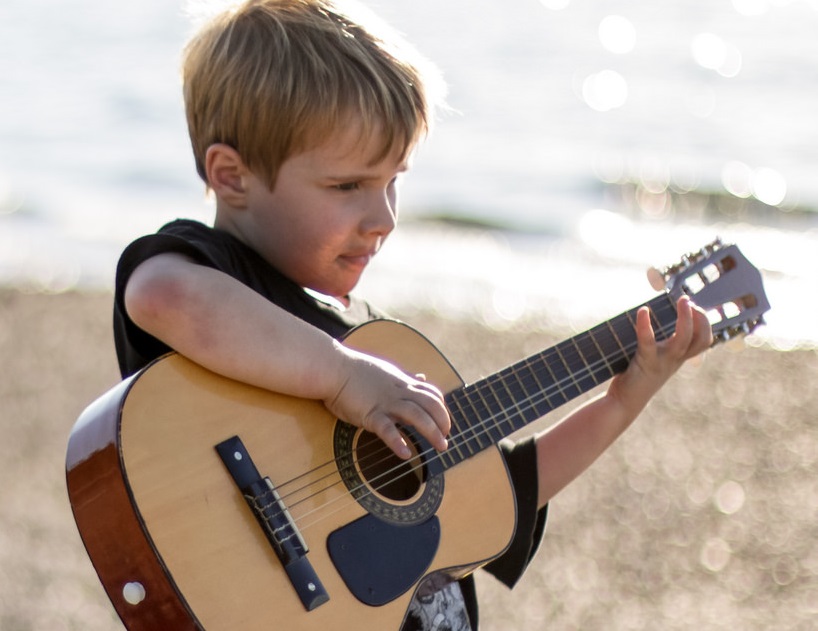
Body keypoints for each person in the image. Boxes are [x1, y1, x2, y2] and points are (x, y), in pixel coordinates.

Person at [112, 1, 713, 629]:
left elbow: (506, 487)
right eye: (348, 187)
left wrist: (624, 398)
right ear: (231, 176)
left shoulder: (371, 346)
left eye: (394, 180)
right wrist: (342, 376)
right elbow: (162, 298)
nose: (385, 217)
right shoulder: (214, 273)